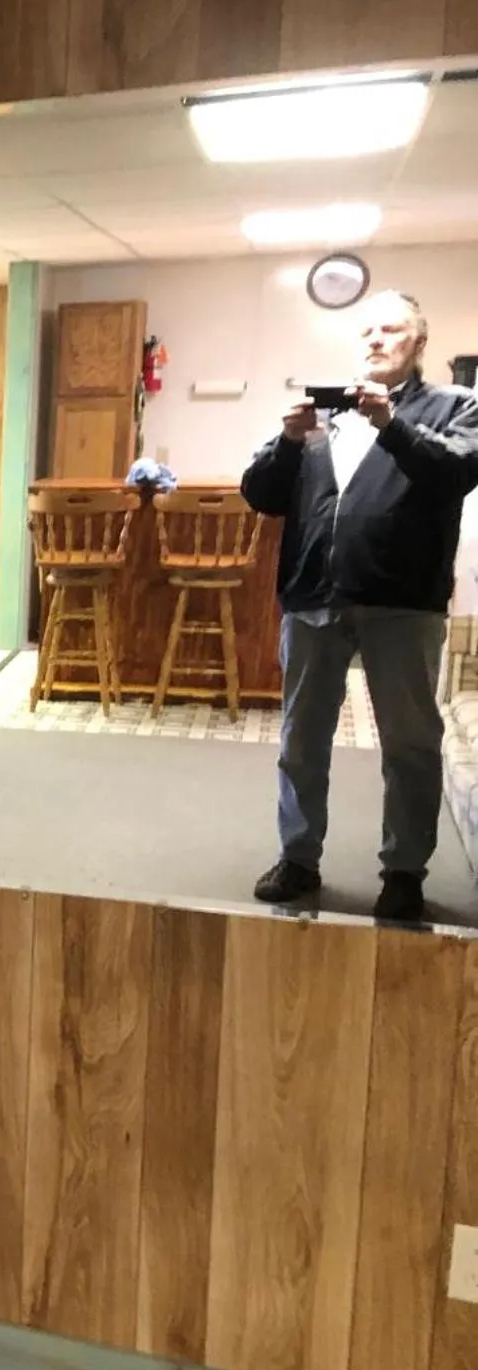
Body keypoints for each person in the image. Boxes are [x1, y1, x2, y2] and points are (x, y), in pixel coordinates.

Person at [241, 290, 478, 922]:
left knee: (410, 743)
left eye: (392, 330)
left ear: (418, 343)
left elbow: (456, 472)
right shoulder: (323, 416)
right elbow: (260, 494)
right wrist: (289, 442)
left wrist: (391, 425)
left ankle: (403, 871)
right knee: (300, 739)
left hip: (402, 602)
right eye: (367, 330)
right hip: (313, 597)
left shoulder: (456, 407)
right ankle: (298, 858)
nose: (376, 339)